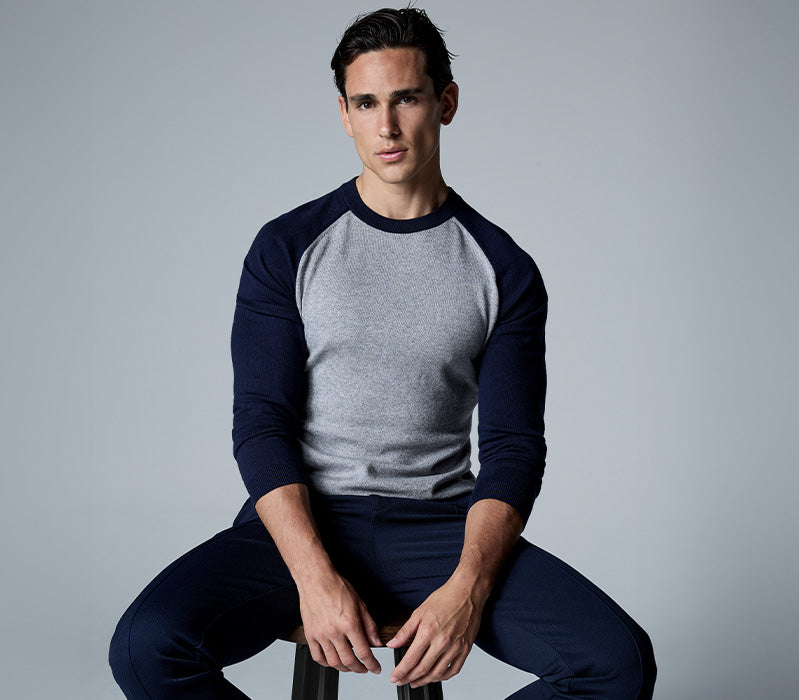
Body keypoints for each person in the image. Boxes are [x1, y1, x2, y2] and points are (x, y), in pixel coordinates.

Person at [109, 8, 656, 699]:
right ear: (344, 114)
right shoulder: (288, 246)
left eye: (407, 99)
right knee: (147, 646)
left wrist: (468, 586)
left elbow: (514, 447)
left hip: (441, 528)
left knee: (617, 663)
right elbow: (261, 422)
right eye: (366, 103)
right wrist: (314, 575)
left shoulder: (502, 267)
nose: (387, 127)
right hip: (307, 520)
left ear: (445, 103)